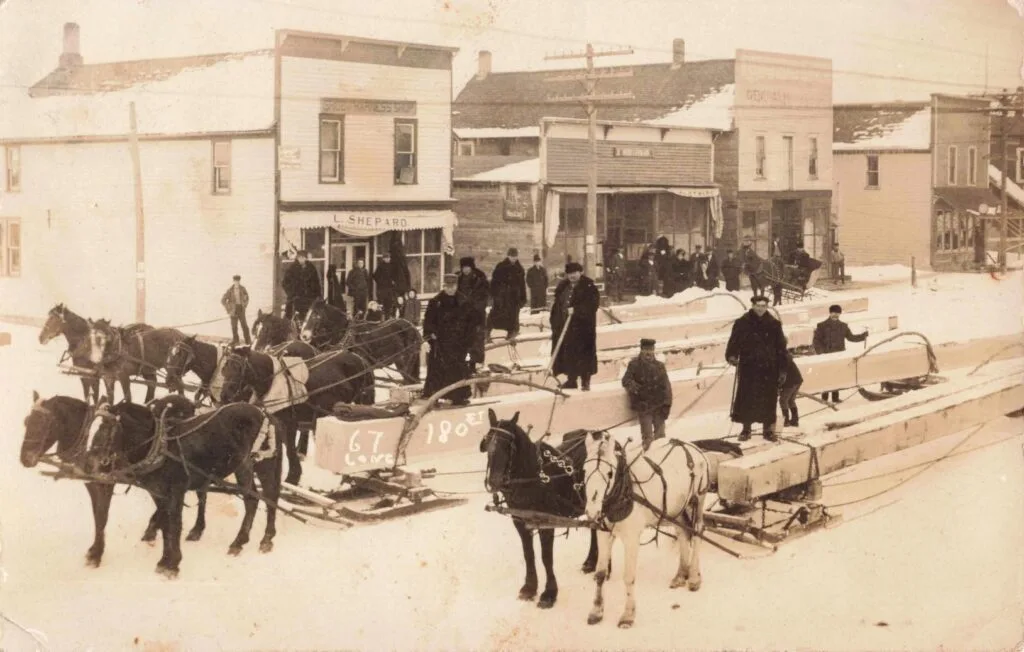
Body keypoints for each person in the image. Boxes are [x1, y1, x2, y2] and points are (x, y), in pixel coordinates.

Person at [725, 294, 788, 442]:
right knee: (747, 397)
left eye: (763, 306)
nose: (760, 309)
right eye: (758, 306)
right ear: (752, 306)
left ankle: (768, 431)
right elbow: (733, 341)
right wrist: (732, 355)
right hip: (749, 367)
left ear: (767, 307)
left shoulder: (774, 324)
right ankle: (746, 430)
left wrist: (783, 370)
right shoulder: (742, 323)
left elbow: (781, 349)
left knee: (769, 398)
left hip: (769, 367)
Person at [422, 274, 476, 406]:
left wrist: (468, 342)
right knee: (437, 372)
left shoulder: (464, 301)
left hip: (458, 345)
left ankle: (458, 398)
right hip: (440, 345)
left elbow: (471, 324)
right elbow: (428, 322)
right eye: (448, 286)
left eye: (453, 286)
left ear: (456, 286)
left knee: (457, 370)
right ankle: (435, 397)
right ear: (444, 286)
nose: (451, 289)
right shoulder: (436, 302)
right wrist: (431, 333)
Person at [550, 262, 600, 391]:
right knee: (569, 354)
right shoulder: (563, 287)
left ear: (580, 272)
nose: (572, 276)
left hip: (582, 329)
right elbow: (558, 305)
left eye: (574, 273)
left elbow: (592, 305)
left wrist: (577, 310)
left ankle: (585, 381)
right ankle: (571, 380)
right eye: (569, 273)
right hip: (565, 328)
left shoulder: (588, 287)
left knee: (584, 355)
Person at [812, 304, 869, 404]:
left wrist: (863, 336)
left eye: (837, 313)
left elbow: (851, 338)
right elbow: (816, 341)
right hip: (826, 356)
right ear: (830, 313)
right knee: (826, 377)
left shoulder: (843, 326)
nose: (835, 315)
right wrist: (821, 353)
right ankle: (824, 399)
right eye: (834, 313)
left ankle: (835, 398)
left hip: (839, 355)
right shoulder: (821, 326)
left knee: (836, 376)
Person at [622, 338, 673, 450]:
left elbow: (667, 387)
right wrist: (638, 390)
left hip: (659, 407)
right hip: (644, 407)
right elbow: (626, 381)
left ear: (654, 350)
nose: (648, 353)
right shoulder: (634, 365)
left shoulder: (660, 366)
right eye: (645, 350)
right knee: (648, 438)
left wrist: (667, 405)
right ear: (641, 350)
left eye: (650, 350)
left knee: (661, 438)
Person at [456, 256, 490, 369]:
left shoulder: (479, 278)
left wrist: (475, 307)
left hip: (477, 315)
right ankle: (462, 365)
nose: (465, 270)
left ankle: (473, 365)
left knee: (476, 340)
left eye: (467, 267)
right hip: (461, 315)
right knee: (461, 340)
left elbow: (484, 296)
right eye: (463, 267)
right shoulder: (458, 279)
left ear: (471, 267)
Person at [488, 247, 527, 340]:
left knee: (513, 316)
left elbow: (522, 285)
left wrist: (523, 298)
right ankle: (487, 332)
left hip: (514, 298)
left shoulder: (519, 269)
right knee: (496, 315)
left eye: (515, 256)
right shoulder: (501, 266)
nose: (513, 258)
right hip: (502, 298)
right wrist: (494, 295)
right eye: (512, 256)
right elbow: (494, 282)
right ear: (508, 256)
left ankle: (512, 334)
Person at [282, 250, 321, 320]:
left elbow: (316, 283)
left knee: (310, 318)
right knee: (291, 318)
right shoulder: (292, 268)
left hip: (309, 299)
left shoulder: (311, 268)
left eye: (304, 257)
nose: (303, 259)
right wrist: (292, 294)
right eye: (301, 257)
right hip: (295, 299)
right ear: (297, 258)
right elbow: (285, 283)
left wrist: (317, 295)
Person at [220, 274, 251, 345]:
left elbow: (247, 298)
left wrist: (245, 305)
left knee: (244, 326)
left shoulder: (243, 289)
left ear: (239, 281)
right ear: (233, 281)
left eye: (238, 281)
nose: (237, 283)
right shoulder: (230, 290)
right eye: (235, 281)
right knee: (234, 327)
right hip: (233, 311)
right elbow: (223, 300)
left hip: (241, 310)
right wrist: (229, 309)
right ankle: (236, 341)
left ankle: (248, 341)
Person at [778, 350, 804, 427]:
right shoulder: (785, 355)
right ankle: (795, 420)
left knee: (783, 400)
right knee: (790, 400)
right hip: (797, 379)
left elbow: (782, 377)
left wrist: (778, 386)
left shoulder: (779, 358)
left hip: (790, 382)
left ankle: (786, 421)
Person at [373, 252, 397, 319]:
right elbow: (375, 276)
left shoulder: (392, 266)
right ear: (383, 259)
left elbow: (395, 276)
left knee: (389, 304)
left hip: (389, 289)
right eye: (386, 258)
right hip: (382, 289)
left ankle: (387, 319)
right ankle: (381, 319)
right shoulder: (380, 266)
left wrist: (393, 281)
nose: (388, 259)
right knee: (381, 305)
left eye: (389, 258)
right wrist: (381, 282)